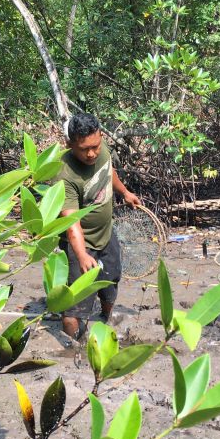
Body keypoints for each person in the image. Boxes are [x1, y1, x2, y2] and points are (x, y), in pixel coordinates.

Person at [57, 113, 141, 341]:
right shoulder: (64, 174)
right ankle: (71, 344)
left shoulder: (101, 151)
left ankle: (106, 318)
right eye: (84, 149)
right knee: (76, 302)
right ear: (70, 144)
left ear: (101, 137)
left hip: (106, 234)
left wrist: (125, 192)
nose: (91, 153)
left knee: (111, 280)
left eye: (95, 146)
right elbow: (70, 222)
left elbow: (108, 171)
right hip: (81, 244)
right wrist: (82, 255)